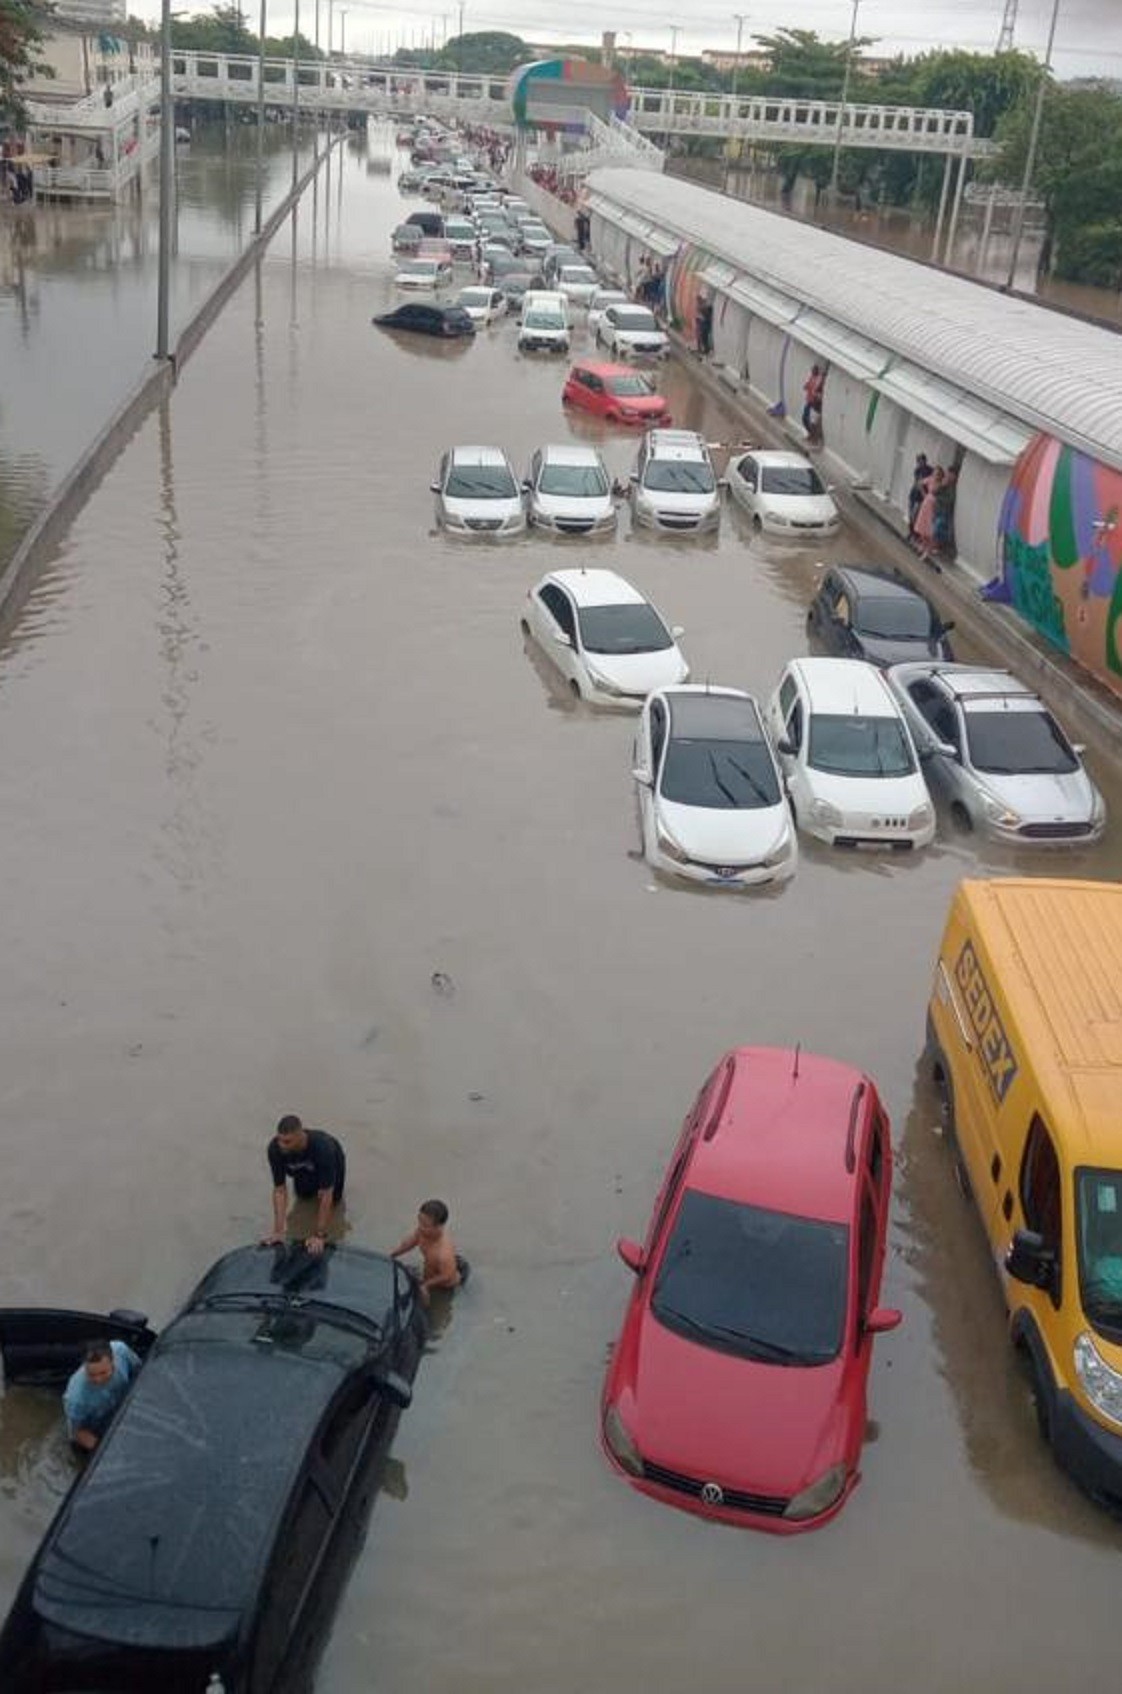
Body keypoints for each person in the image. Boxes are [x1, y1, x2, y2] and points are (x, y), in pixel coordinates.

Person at [262, 1114, 346, 1257]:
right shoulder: (275, 1149)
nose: (282, 1146)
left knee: (333, 1201)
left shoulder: (323, 1149)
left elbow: (327, 1194)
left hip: (331, 1162)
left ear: (300, 1136)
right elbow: (280, 1190)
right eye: (280, 1140)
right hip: (302, 1169)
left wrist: (319, 1235)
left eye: (287, 1142)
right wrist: (278, 1231)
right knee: (304, 1197)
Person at [63, 1339, 141, 1452]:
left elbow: (139, 1370)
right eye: (91, 1375)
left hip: (123, 1408)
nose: (98, 1380)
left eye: (103, 1373)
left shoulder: (121, 1350)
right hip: (95, 1430)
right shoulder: (76, 1398)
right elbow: (77, 1433)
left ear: (113, 1361)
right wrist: (110, 1450)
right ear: (84, 1366)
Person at [391, 1199, 465, 1304]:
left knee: (435, 1309)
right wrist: (392, 1255)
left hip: (446, 1286)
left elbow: (448, 1276)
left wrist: (426, 1285)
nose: (420, 1227)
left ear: (439, 1227)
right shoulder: (423, 1232)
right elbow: (409, 1243)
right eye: (419, 1221)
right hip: (432, 1274)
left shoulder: (443, 1253)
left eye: (425, 1225)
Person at [907, 453, 932, 540]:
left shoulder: (929, 471)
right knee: (911, 514)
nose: (919, 463)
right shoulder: (917, 470)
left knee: (915, 514)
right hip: (913, 494)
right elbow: (916, 482)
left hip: (920, 497)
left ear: (924, 461)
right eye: (918, 461)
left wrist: (924, 494)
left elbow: (925, 483)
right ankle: (911, 532)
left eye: (920, 461)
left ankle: (915, 534)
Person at [802, 364, 825, 443]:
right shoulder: (811, 378)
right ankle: (811, 434)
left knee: (813, 422)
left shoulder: (819, 379)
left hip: (814, 403)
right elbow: (805, 387)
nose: (812, 371)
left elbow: (817, 392)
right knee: (805, 418)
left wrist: (814, 393)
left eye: (814, 370)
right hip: (810, 401)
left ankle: (813, 437)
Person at [696, 291, 714, 358]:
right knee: (702, 337)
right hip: (703, 324)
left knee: (703, 337)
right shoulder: (702, 307)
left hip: (704, 325)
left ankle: (706, 350)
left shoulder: (703, 307)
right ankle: (704, 349)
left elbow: (705, 316)